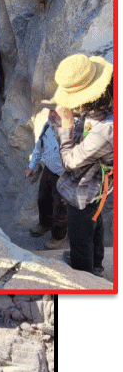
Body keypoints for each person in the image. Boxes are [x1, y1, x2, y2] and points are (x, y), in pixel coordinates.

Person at [50, 54, 113, 276]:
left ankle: (85, 274)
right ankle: (97, 264)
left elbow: (70, 162)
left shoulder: (107, 129)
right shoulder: (107, 105)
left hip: (84, 193)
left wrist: (64, 127)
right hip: (98, 190)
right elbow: (88, 136)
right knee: (95, 226)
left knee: (80, 238)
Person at [25, 110, 67, 249]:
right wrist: (32, 165)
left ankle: (58, 236)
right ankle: (44, 224)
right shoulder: (48, 125)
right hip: (48, 171)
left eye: (56, 111)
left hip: (64, 176)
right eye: (51, 111)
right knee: (43, 200)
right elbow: (39, 146)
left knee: (60, 208)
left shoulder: (74, 131)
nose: (52, 114)